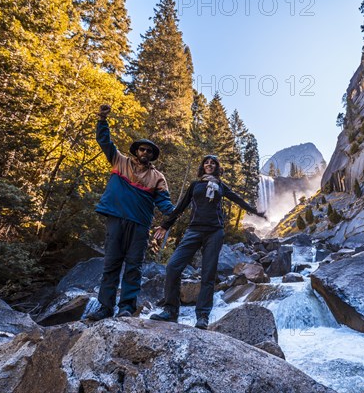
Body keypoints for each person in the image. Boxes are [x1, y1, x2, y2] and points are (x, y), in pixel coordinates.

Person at [151, 154, 266, 329]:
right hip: (194, 230)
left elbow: (238, 199)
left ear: (217, 167)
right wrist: (166, 225)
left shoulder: (220, 186)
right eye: (206, 162)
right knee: (173, 266)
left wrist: (256, 212)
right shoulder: (195, 185)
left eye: (213, 163)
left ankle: (202, 316)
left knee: (208, 273)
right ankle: (170, 311)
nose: (209, 165)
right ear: (203, 166)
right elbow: (181, 206)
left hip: (214, 232)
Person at [87, 104, 175, 321]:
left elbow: (165, 203)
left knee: (134, 267)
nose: (145, 152)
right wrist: (102, 120)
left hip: (139, 225)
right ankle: (105, 307)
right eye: (142, 149)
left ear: (153, 155)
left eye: (149, 151)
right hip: (116, 219)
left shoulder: (158, 178)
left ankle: (126, 306)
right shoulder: (119, 161)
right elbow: (104, 142)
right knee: (111, 265)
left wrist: (174, 217)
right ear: (136, 150)